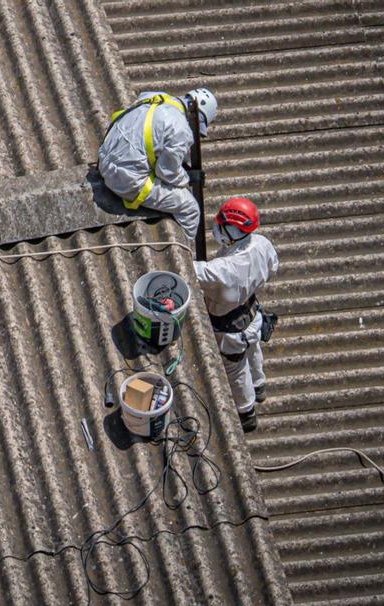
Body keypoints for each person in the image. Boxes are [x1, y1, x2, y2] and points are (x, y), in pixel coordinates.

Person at [194, 197, 278, 432]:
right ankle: (259, 387)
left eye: (221, 224)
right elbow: (273, 267)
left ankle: (246, 412)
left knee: (236, 371)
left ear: (231, 230)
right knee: (254, 351)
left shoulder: (222, 269)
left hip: (229, 328)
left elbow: (191, 270)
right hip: (252, 313)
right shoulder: (261, 243)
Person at [98, 88, 217, 241]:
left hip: (105, 159)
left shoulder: (154, 97)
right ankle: (186, 253)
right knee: (190, 209)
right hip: (125, 180)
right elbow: (166, 172)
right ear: (198, 118)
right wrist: (188, 178)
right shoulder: (180, 129)